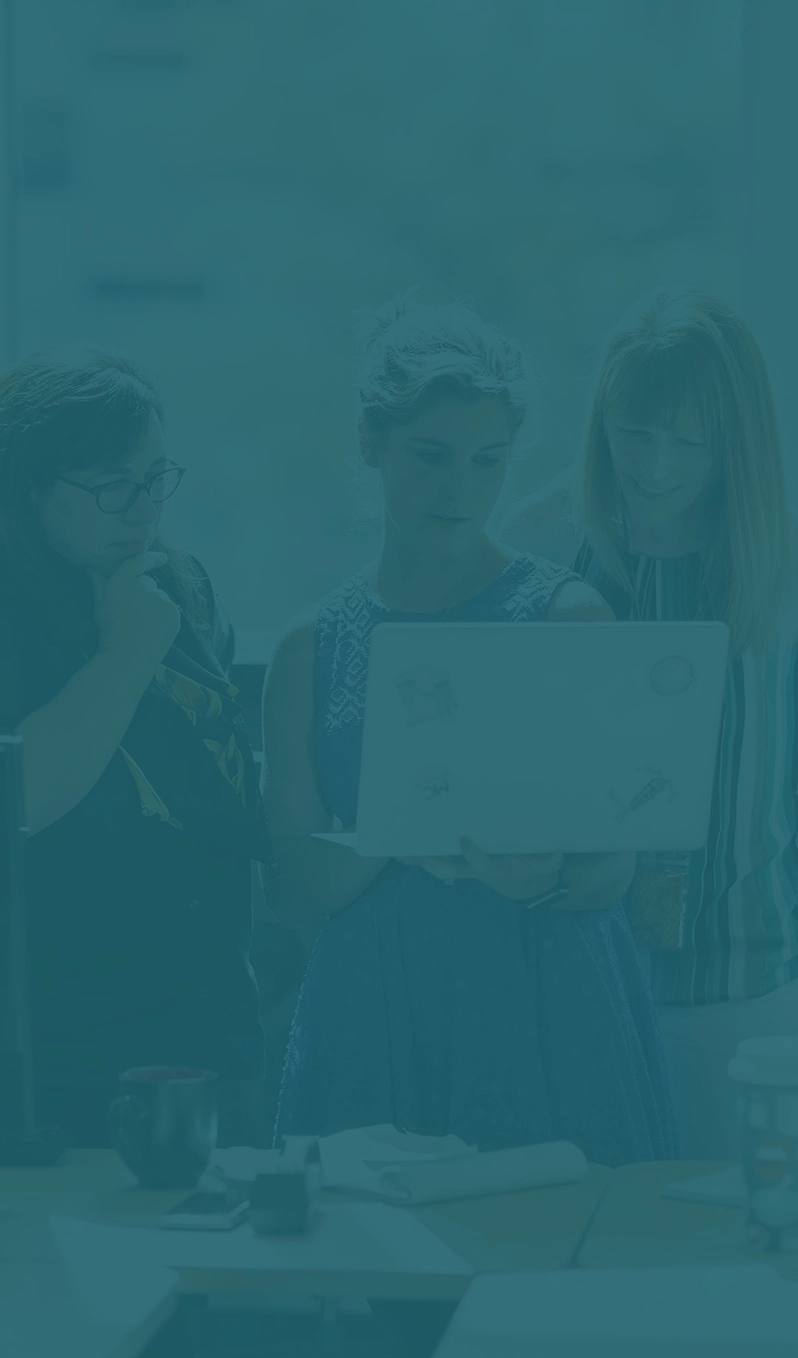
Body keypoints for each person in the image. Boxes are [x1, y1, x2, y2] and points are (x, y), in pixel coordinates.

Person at [261, 295, 678, 1167]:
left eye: (489, 460)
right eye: (431, 455)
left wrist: (545, 879)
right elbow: (299, 886)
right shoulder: (307, 648)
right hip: (371, 1006)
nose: (462, 488)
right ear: (370, 441)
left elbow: (616, 866)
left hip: (544, 992)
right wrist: (405, 820)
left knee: (562, 1243)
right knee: (368, 1242)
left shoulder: (569, 619)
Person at [504, 288, 798, 1159]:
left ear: (736, 442)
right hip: (578, 981)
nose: (654, 464)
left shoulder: (783, 560)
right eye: (632, 432)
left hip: (748, 989)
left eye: (687, 441)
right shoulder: (543, 541)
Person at [0, 347, 268, 1145]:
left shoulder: (181, 588)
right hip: (62, 1060)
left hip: (209, 1034)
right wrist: (126, 651)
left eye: (156, 478)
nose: (144, 509)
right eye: (113, 485)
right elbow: (20, 798)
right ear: (29, 485)